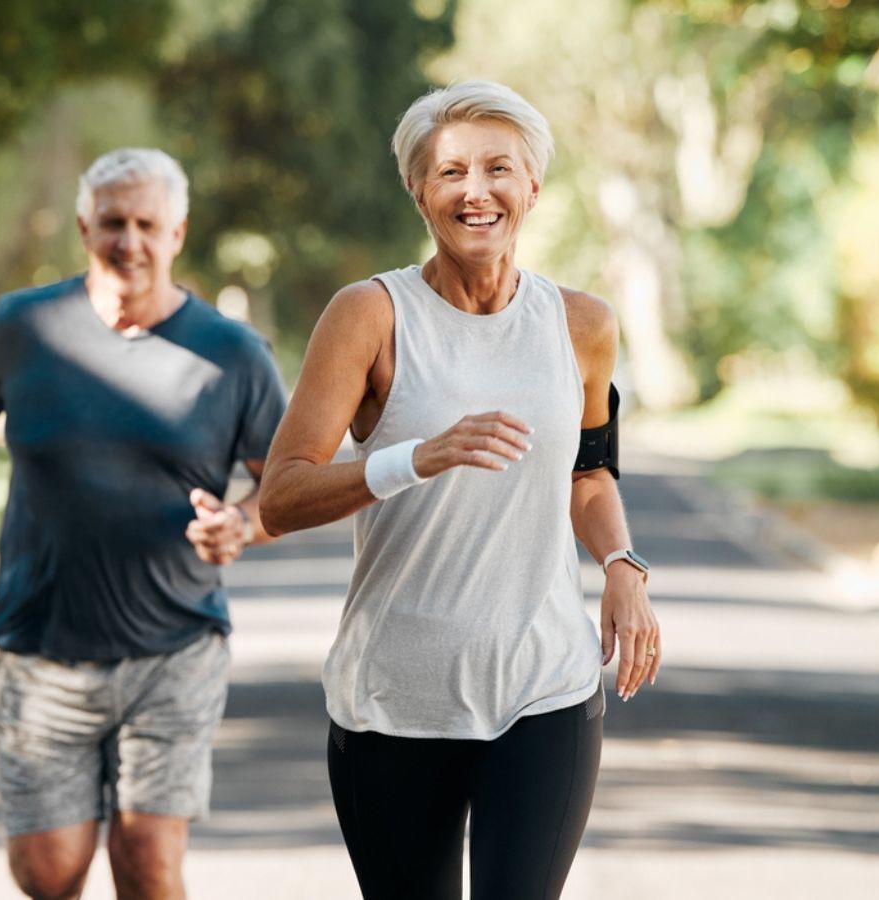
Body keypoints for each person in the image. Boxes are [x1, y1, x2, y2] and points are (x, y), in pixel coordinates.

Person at [259, 81, 661, 899]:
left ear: (533, 188)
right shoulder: (368, 315)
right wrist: (416, 457)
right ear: (418, 190)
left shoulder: (582, 324)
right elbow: (281, 496)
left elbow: (587, 470)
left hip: (544, 685)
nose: (475, 191)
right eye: (449, 173)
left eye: (497, 169)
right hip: (394, 697)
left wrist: (622, 562)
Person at [0, 147, 286, 900]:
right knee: (47, 872)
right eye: (114, 223)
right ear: (85, 227)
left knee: (148, 862)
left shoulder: (234, 354)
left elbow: (285, 484)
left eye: (148, 224)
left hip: (176, 645)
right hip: (42, 643)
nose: (131, 241)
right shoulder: (22, 327)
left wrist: (242, 527)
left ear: (178, 232)